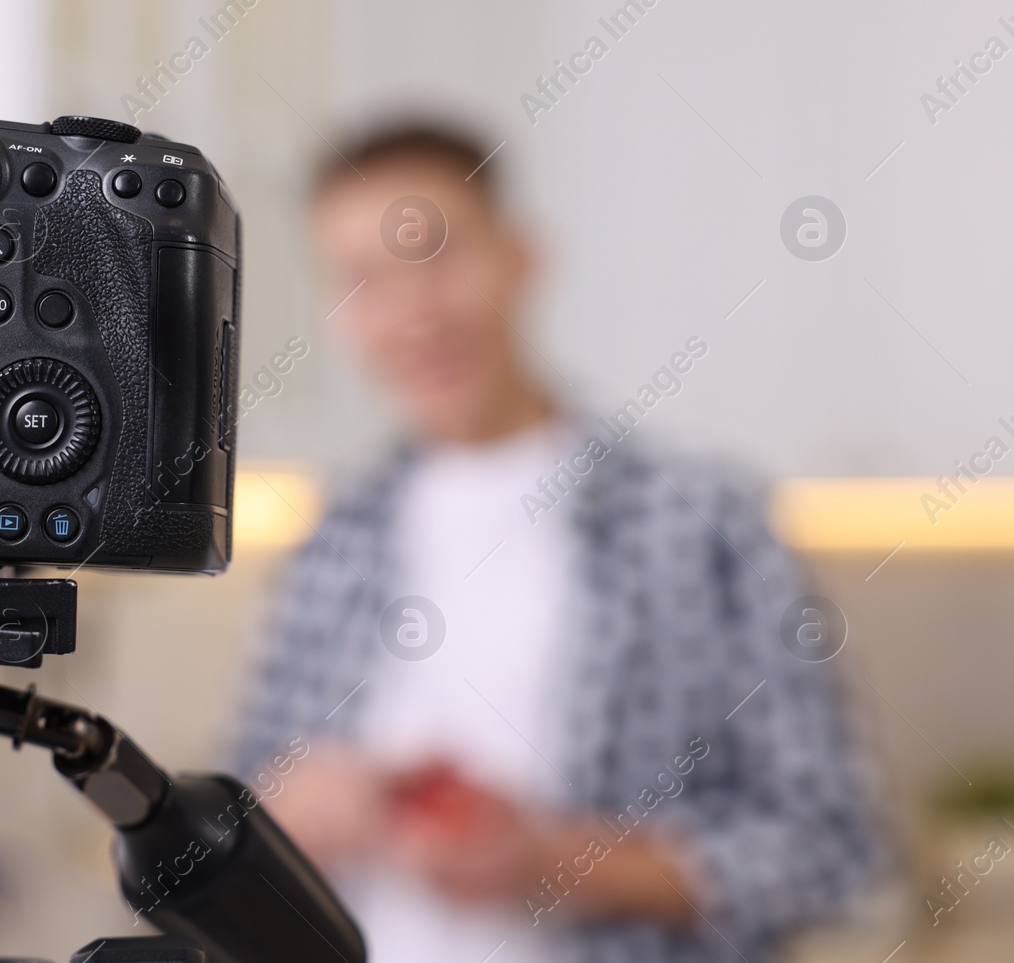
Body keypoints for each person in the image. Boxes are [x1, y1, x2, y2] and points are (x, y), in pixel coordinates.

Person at [231, 126, 884, 962]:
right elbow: (225, 825)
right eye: (364, 280)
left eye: (439, 255)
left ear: (522, 256)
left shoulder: (703, 520)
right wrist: (285, 808)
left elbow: (833, 848)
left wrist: (550, 860)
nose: (412, 311)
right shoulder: (333, 537)